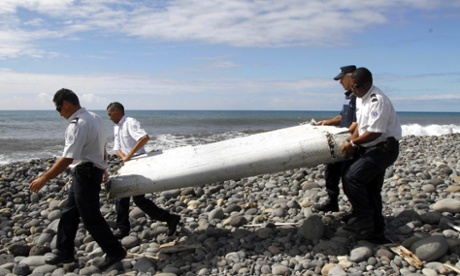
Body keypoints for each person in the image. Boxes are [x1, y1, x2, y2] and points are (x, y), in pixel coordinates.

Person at [29, 89, 126, 271]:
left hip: (86, 173)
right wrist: (103, 166)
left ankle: (114, 250)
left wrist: (44, 178)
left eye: (59, 109)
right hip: (88, 171)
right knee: (69, 212)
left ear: (66, 104)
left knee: (90, 217)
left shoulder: (78, 124)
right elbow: (101, 145)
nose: (59, 114)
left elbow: (67, 159)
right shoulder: (94, 118)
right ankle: (64, 251)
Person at [340, 67, 401, 243]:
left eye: (356, 86)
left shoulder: (377, 101)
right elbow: (361, 124)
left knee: (353, 177)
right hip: (370, 147)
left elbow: (375, 132)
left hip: (383, 148)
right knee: (370, 187)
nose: (353, 90)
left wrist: (352, 143)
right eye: (351, 87)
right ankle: (376, 232)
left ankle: (363, 218)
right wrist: (353, 140)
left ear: (367, 84)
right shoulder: (361, 97)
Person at [107, 102, 180, 239]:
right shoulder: (116, 128)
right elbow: (117, 147)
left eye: (110, 114)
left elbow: (144, 138)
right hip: (128, 164)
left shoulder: (130, 122)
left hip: (139, 162)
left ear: (117, 111)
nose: (109, 117)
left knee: (136, 198)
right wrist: (124, 157)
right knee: (126, 197)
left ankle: (169, 219)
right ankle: (124, 229)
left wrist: (129, 155)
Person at [315, 65, 357, 212]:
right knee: (331, 171)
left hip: (351, 142)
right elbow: (342, 117)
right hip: (341, 140)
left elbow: (357, 123)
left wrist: (350, 141)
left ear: (351, 77)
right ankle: (332, 201)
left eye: (342, 79)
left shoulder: (359, 97)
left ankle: (356, 209)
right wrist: (326, 122)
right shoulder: (348, 96)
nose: (340, 83)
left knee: (349, 177)